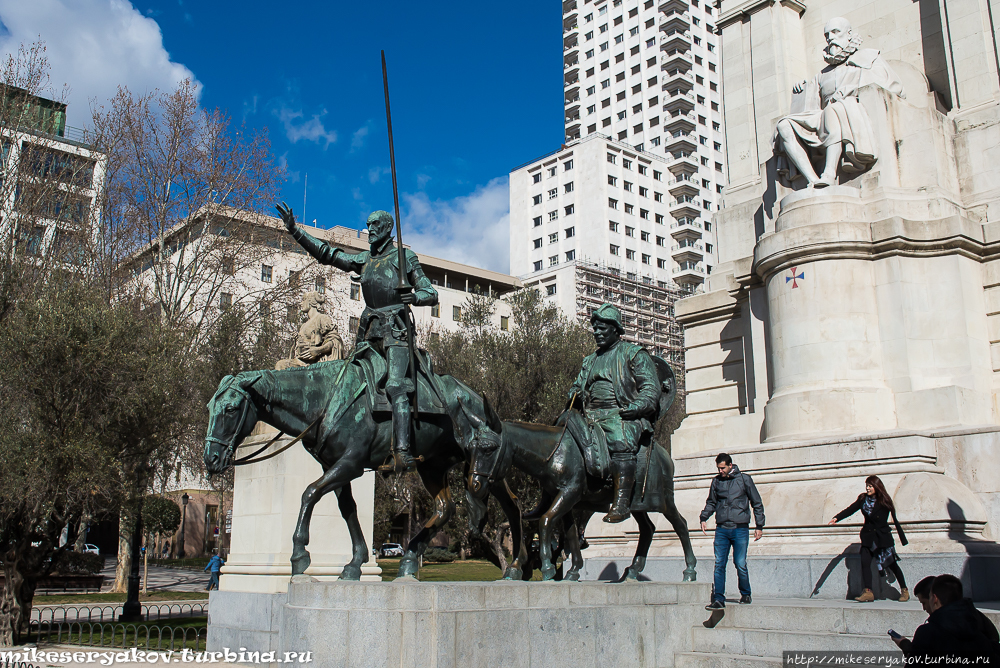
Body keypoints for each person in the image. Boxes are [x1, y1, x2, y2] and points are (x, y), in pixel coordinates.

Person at [276, 203, 438, 473]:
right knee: (347, 382)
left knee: (397, 385)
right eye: (368, 225)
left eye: (375, 225)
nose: (370, 229)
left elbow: (430, 292)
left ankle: (401, 452)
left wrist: (415, 297)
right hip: (369, 332)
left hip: (396, 332)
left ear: (388, 228)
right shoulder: (365, 259)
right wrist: (296, 231)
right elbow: (328, 254)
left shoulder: (405, 257)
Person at [773, 17, 905, 188]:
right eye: (827, 35)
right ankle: (812, 179)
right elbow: (810, 107)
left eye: (835, 32)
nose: (830, 38)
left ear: (849, 34)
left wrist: (850, 89)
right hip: (822, 117)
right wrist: (802, 89)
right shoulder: (822, 74)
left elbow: (891, 85)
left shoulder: (867, 58)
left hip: (848, 109)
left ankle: (829, 173)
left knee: (833, 110)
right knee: (784, 125)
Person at [565, 303, 661, 523]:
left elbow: (651, 389)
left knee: (620, 440)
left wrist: (635, 408)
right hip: (590, 416)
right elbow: (576, 385)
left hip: (622, 414)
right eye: (595, 329)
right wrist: (574, 395)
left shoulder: (633, 353)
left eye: (602, 328)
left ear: (615, 329)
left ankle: (621, 503)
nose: (597, 333)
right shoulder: (589, 360)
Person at [828, 475, 909, 602]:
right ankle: (868, 592)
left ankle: (904, 590)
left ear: (877, 487)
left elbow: (894, 518)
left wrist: (902, 538)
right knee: (865, 564)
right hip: (868, 538)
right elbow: (851, 510)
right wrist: (837, 518)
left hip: (882, 539)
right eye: (867, 485)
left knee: (892, 565)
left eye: (870, 486)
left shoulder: (884, 500)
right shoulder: (863, 499)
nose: (868, 488)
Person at [700, 453, 765, 610]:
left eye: (723, 468)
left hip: (740, 528)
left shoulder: (744, 480)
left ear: (730, 465)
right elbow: (711, 502)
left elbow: (757, 502)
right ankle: (718, 599)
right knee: (719, 563)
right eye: (718, 468)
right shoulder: (716, 482)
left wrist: (759, 526)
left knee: (740, 563)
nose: (720, 471)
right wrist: (704, 517)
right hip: (722, 528)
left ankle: (745, 593)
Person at [893, 574, 1000, 660]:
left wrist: (908, 649)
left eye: (925, 602)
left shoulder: (928, 633)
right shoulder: (977, 620)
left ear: (934, 598)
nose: (924, 608)